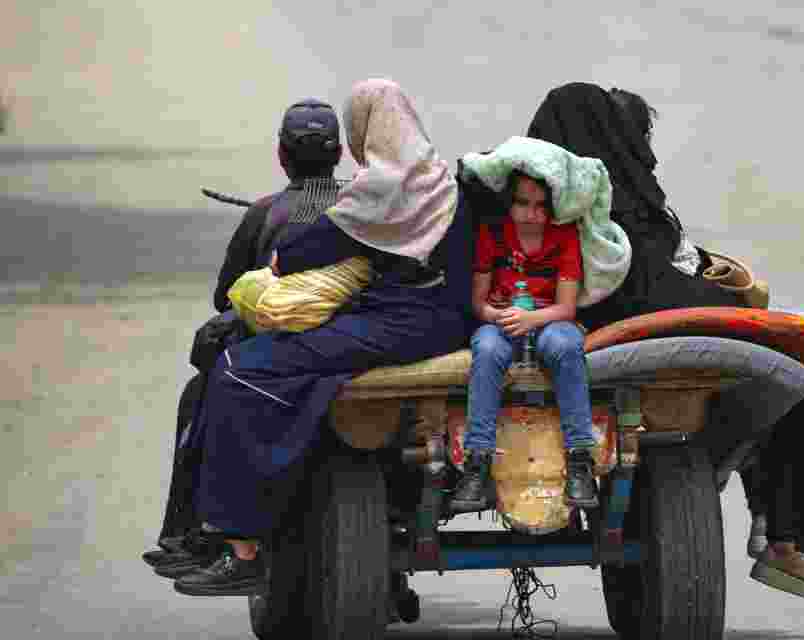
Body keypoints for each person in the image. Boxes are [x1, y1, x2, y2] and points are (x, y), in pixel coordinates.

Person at [527, 82, 804, 602]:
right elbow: (653, 286)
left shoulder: (523, 198)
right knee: (788, 373)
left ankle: (774, 530)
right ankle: (781, 536)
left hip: (569, 349)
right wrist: (727, 299)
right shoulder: (627, 207)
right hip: (639, 348)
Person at [173, 79, 476, 596]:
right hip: (441, 323)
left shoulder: (379, 189)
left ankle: (242, 549)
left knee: (240, 368)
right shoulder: (441, 183)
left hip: (397, 328)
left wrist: (281, 262)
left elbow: (301, 251)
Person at [142, 98, 346, 578]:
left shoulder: (266, 214)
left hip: (279, 353)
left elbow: (225, 297)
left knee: (202, 390)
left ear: (282, 155)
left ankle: (193, 533)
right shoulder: (362, 206)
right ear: (341, 156)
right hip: (351, 343)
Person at [451, 171, 598, 511]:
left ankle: (579, 461)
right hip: (502, 320)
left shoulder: (564, 236)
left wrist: (531, 319)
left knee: (566, 346)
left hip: (548, 320)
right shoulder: (493, 234)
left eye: (540, 206)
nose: (531, 213)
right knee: (486, 350)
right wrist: (499, 317)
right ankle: (478, 464)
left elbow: (566, 307)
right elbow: (479, 302)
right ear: (509, 203)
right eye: (522, 203)